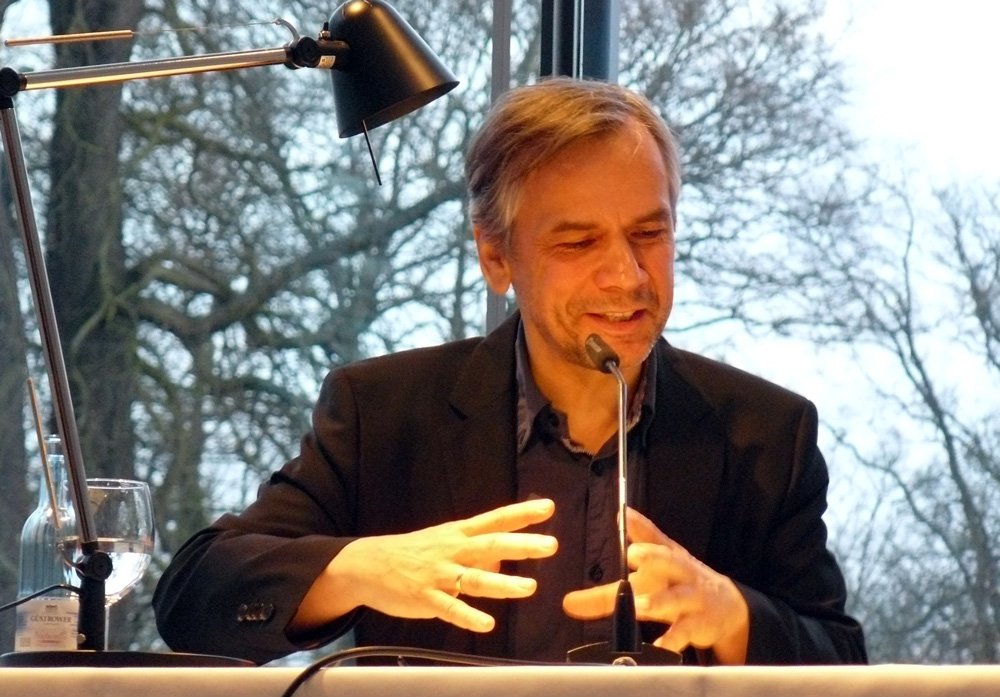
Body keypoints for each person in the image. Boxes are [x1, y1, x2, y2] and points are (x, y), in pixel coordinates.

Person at [152, 77, 867, 666]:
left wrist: (731, 613)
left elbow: (841, 660)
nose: (627, 276)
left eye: (649, 233)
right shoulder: (385, 413)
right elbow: (194, 597)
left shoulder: (766, 433)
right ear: (496, 258)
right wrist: (364, 568)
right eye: (579, 242)